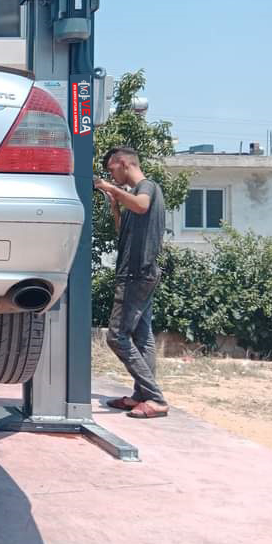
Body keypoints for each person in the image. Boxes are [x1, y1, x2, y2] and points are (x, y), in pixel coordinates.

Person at [94, 147, 169, 419]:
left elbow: (141, 205)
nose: (111, 175)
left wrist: (111, 189)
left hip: (136, 273)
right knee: (142, 337)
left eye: (111, 169)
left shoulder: (146, 188)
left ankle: (155, 397)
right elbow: (122, 231)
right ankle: (141, 395)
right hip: (142, 272)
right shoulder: (133, 196)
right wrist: (115, 205)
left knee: (116, 336)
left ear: (124, 162)